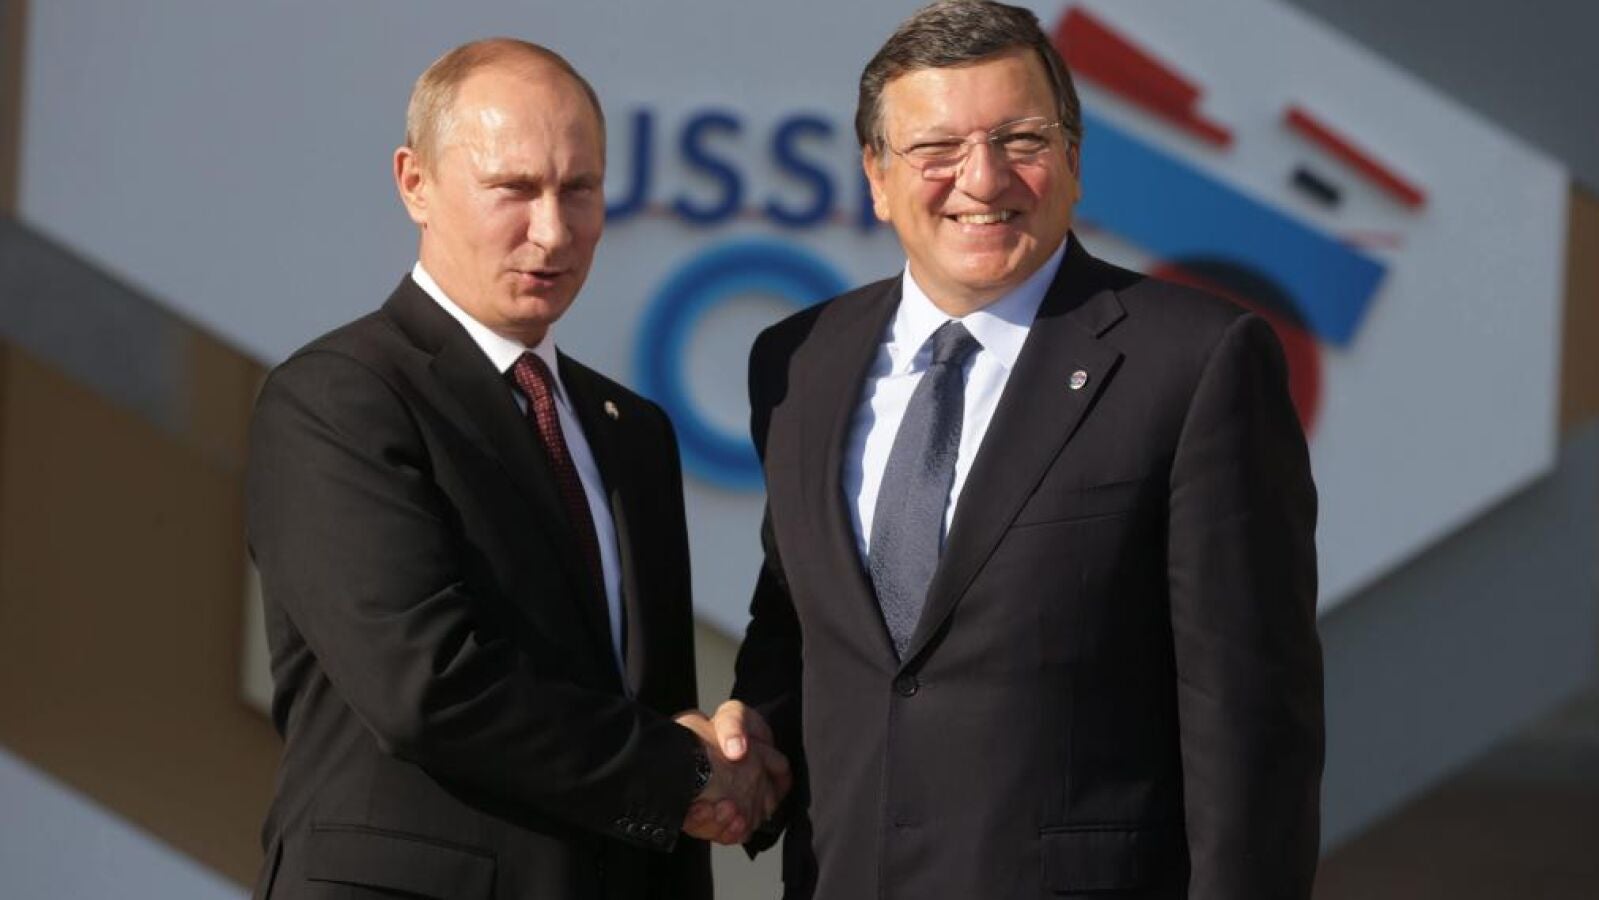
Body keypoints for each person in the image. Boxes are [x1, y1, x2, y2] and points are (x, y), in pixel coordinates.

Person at [716, 2, 1324, 898]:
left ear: (1073, 160)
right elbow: (801, 623)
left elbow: (1249, 720)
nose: (982, 177)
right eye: (935, 148)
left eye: (1020, 139)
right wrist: (753, 740)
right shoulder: (798, 361)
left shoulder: (1195, 362)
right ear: (876, 176)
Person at [245, 38, 786, 900]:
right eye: (514, 189)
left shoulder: (630, 430)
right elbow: (428, 687)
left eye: (580, 189)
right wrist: (681, 772)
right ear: (415, 183)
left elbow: (649, 701)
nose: (553, 231)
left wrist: (724, 769)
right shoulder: (338, 399)